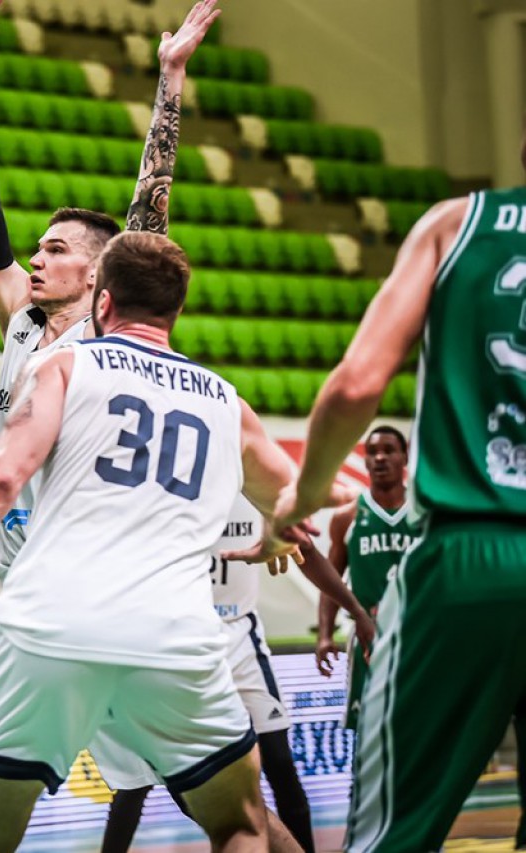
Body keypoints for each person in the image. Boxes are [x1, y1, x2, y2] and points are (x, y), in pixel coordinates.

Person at [0, 230, 322, 852]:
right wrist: (275, 536)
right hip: (172, 635)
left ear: (101, 302)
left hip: (53, 628)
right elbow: (296, 497)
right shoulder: (226, 400)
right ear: (176, 310)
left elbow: (0, 478)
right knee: (240, 824)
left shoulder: (63, 364)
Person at [0, 0, 219, 827]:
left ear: (100, 278)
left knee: (210, 798)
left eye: (55, 250)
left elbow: (150, 203)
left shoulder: (105, 337)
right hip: (34, 598)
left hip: (91, 591)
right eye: (38, 246)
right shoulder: (20, 320)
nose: (33, 257)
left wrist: (169, 79)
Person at [268, 125, 526, 852]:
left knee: (393, 832)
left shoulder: (458, 223)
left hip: (472, 554)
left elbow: (357, 383)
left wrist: (303, 493)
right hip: (422, 589)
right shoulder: (359, 517)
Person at [101, 497, 375, 853]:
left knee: (278, 763)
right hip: (180, 642)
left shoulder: (258, 493)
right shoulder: (165, 496)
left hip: (238, 636)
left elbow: (305, 549)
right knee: (145, 784)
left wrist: (355, 610)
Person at [316, 425, 415, 730]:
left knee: (421, 725)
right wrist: (324, 635)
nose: (380, 458)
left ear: (405, 457)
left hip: (419, 630)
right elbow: (330, 580)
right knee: (368, 726)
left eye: (388, 450)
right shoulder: (347, 517)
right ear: (365, 461)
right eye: (372, 452)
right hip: (368, 634)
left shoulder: (424, 513)